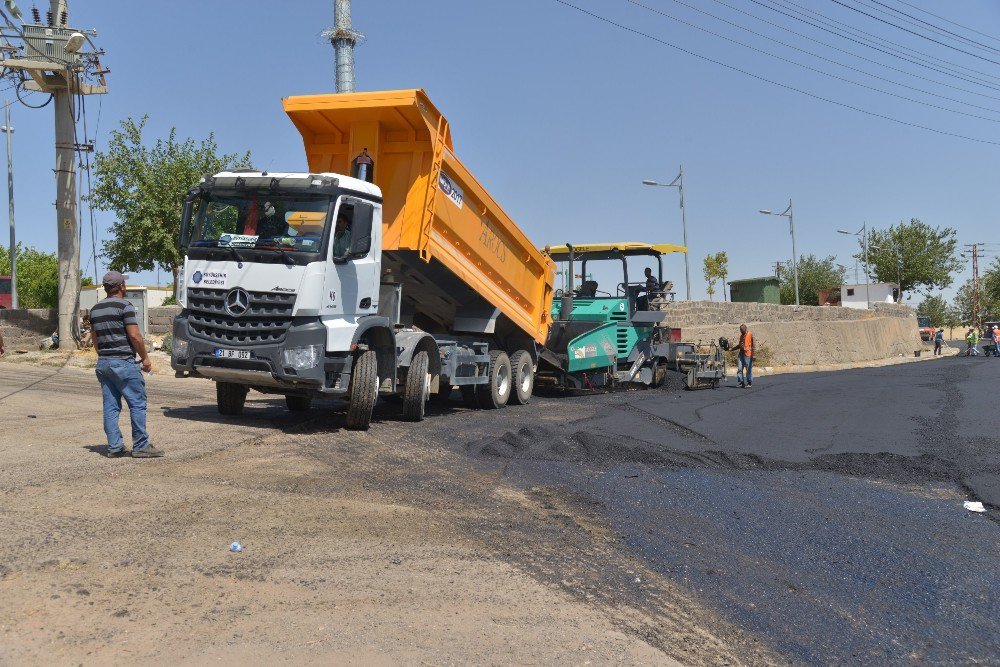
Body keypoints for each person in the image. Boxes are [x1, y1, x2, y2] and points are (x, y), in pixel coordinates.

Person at [91, 271, 163, 458]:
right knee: (137, 403)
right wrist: (145, 358)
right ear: (122, 286)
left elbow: (95, 339)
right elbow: (134, 335)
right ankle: (140, 445)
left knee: (111, 406)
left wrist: (105, 356)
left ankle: (115, 447)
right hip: (123, 363)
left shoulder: (95, 309)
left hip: (104, 363)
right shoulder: (125, 306)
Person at [734, 323, 754, 388]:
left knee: (748, 369)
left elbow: (753, 345)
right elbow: (740, 345)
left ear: (745, 329)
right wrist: (732, 349)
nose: (741, 331)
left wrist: (754, 355)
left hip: (748, 354)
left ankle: (749, 382)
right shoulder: (741, 336)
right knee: (740, 368)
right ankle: (741, 382)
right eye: (740, 330)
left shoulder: (749, 335)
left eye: (742, 329)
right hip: (741, 354)